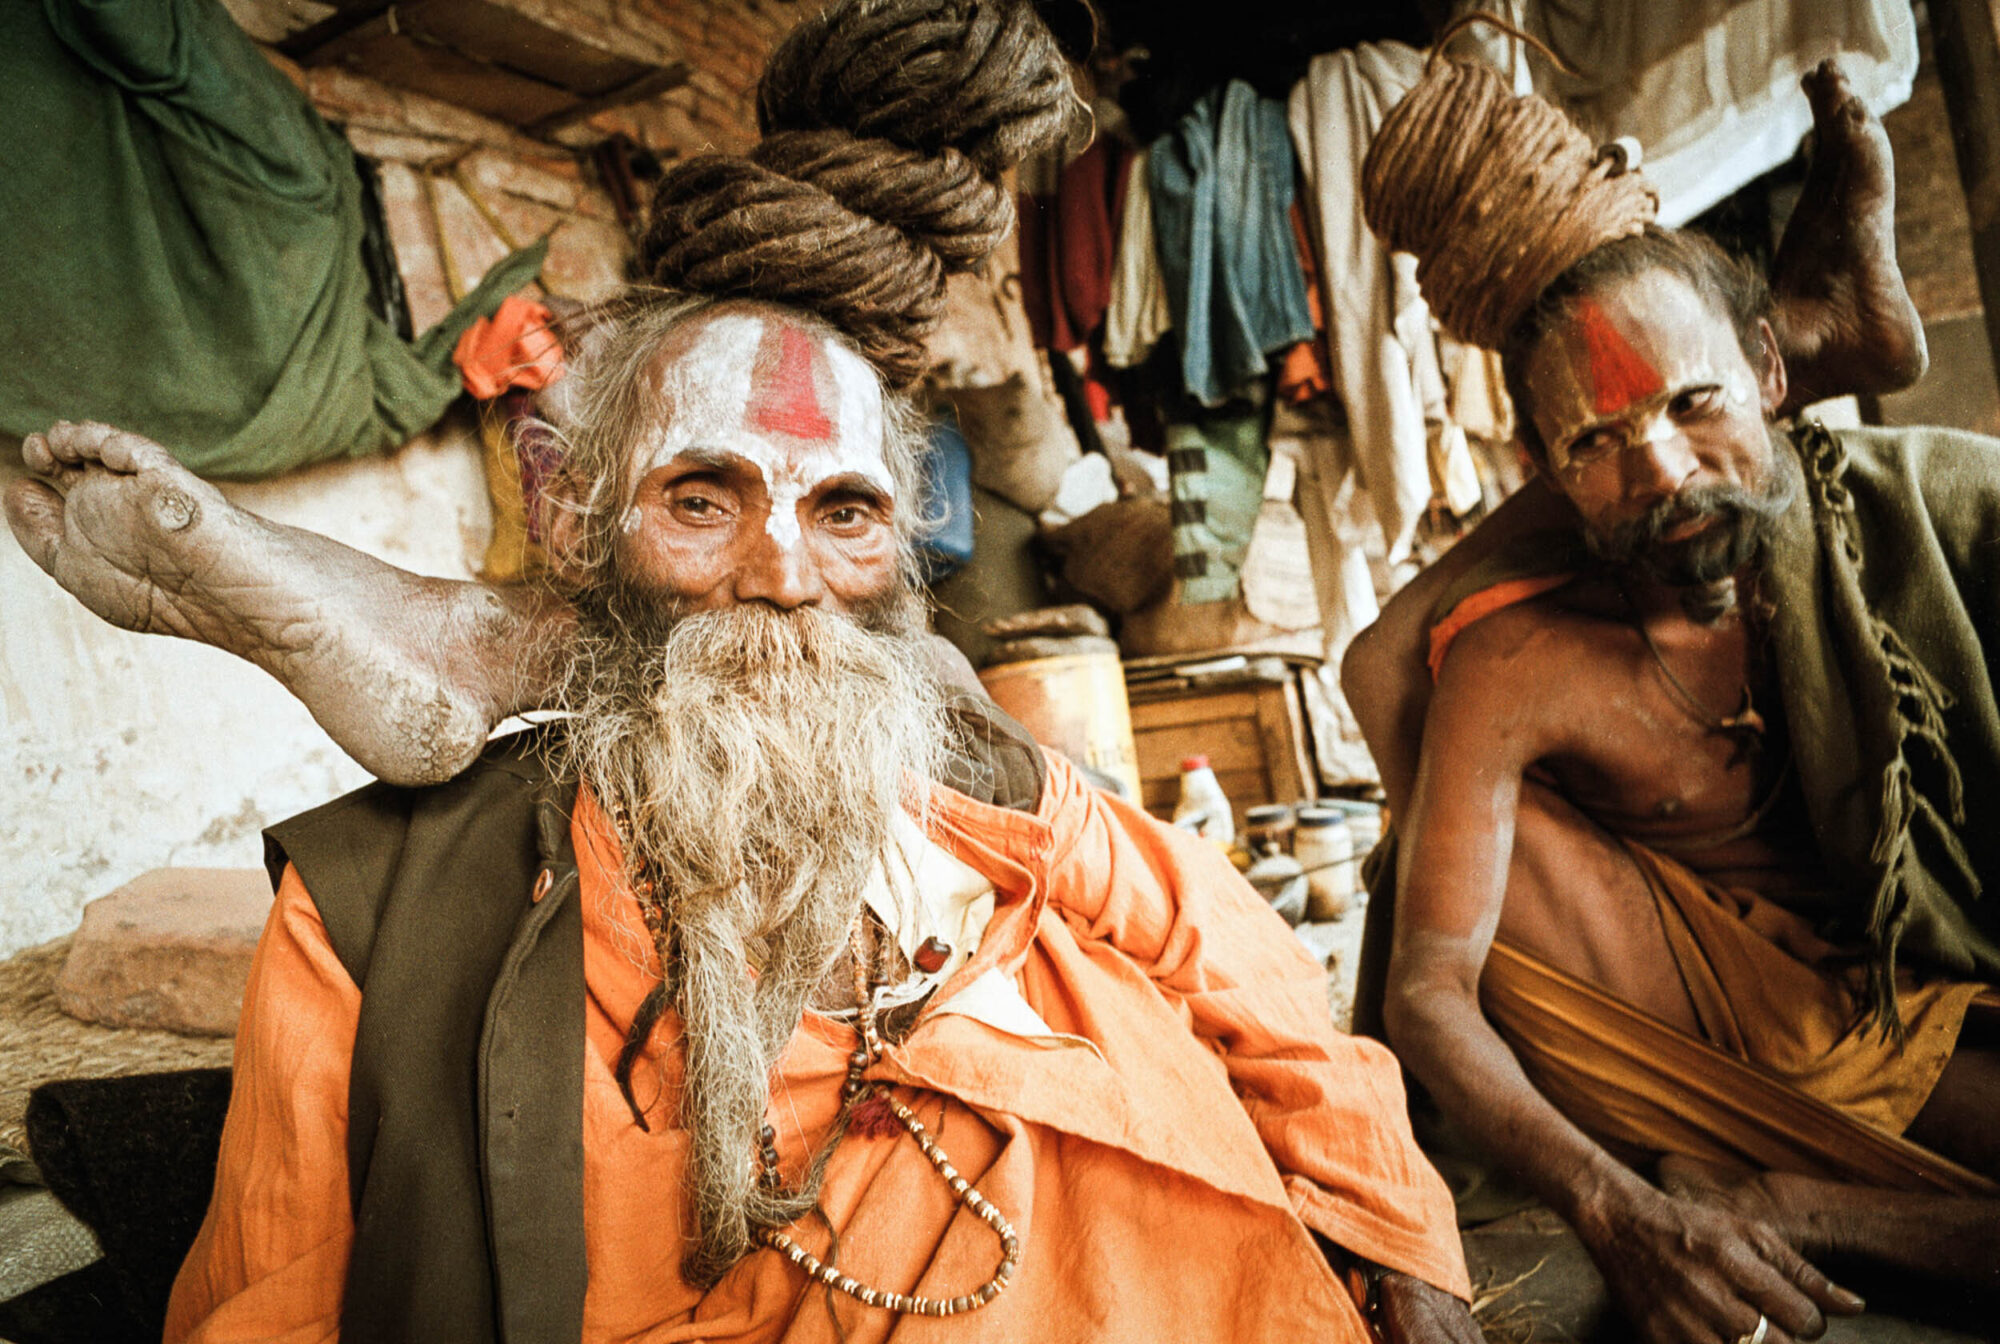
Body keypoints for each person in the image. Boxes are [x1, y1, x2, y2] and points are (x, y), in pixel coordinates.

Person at [18, 3, 1483, 1341]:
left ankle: (475, 636)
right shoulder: (373, 923)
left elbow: (1246, 963)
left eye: (843, 513)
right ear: (573, 511)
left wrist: (1405, 1246)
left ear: (904, 546)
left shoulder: (976, 782)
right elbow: (264, 1311)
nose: (783, 574)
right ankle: (478, 634)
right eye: (703, 497)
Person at [1347, 40, 2000, 1344]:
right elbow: (1427, 981)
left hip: (1926, 985)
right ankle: (1788, 1198)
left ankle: (1795, 1202)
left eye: (1697, 401)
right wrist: (1610, 1205)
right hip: (1773, 1033)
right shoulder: (1516, 663)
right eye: (1594, 443)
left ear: (1766, 376)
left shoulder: (1931, 506)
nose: (1657, 474)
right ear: (1536, 468)